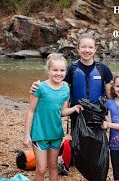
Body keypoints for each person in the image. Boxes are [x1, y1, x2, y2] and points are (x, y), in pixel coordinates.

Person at [30, 33, 119, 132]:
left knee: (96, 149)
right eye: (83, 47)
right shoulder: (71, 69)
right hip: (77, 114)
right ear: (78, 49)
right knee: (78, 148)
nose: (87, 50)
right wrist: (39, 87)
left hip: (98, 115)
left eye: (90, 47)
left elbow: (111, 94)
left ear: (95, 49)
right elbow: (57, 86)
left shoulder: (103, 69)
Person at [23, 53, 82, 181]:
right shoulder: (40, 87)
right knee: (42, 169)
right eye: (55, 70)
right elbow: (31, 111)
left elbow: (63, 111)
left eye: (62, 70)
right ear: (48, 70)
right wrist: (26, 134)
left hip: (56, 133)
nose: (58, 73)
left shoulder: (65, 89)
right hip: (40, 133)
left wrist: (74, 108)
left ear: (66, 71)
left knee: (54, 166)